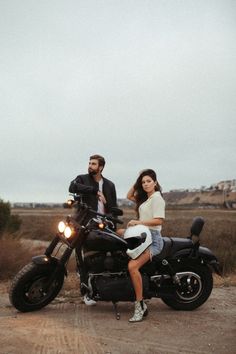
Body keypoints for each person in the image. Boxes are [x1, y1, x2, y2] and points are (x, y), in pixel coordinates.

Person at [69, 154, 117, 305]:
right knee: (82, 257)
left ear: (101, 167)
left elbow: (113, 207)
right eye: (89, 163)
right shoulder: (82, 179)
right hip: (84, 224)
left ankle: (100, 288)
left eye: (93, 164)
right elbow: (72, 187)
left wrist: (113, 224)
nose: (90, 166)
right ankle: (85, 293)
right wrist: (94, 191)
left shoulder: (109, 185)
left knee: (98, 258)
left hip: (102, 225)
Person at [125, 169, 165, 322]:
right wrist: (138, 180)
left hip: (153, 240)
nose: (146, 184)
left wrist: (138, 222)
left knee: (132, 267)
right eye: (143, 182)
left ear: (155, 182)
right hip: (142, 236)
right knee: (117, 234)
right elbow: (129, 196)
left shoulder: (157, 198)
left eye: (149, 181)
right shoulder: (146, 199)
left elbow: (159, 221)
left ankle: (140, 306)